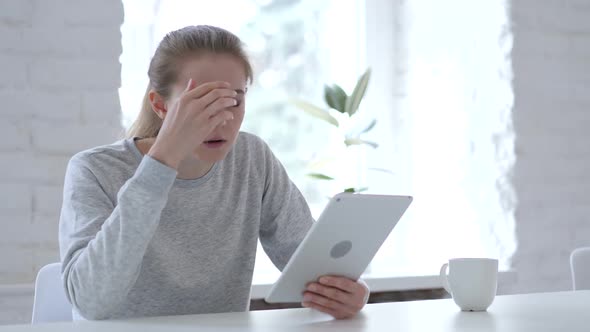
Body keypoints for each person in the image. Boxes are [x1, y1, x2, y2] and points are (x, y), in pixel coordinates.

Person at [58, 25, 369, 321]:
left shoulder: (252, 159)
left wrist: (348, 292)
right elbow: (91, 301)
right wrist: (162, 161)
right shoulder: (96, 170)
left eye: (234, 99)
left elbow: (313, 270)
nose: (221, 120)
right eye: (203, 102)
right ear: (161, 105)